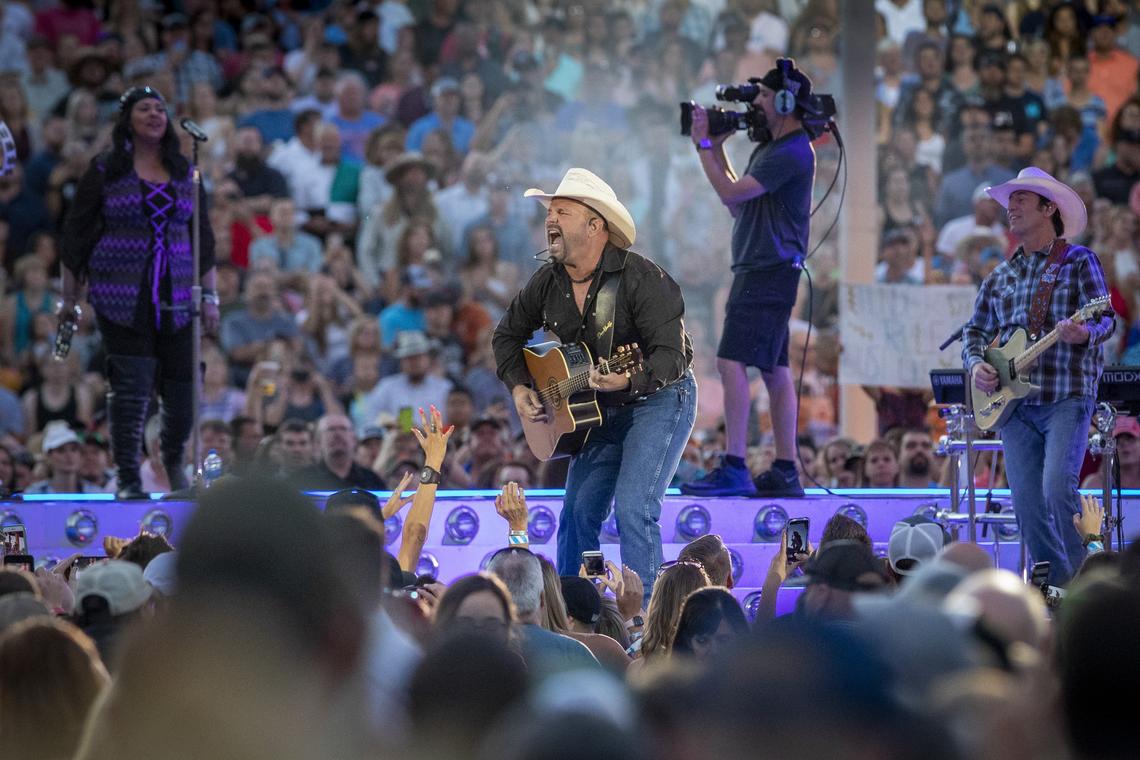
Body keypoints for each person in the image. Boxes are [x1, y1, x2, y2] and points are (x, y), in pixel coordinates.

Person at [492, 168, 696, 595]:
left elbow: (672, 356)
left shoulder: (643, 278)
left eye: (562, 211)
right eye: (550, 212)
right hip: (595, 408)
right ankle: (573, 611)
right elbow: (507, 334)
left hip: (659, 398)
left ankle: (647, 617)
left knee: (634, 507)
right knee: (578, 512)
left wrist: (629, 380)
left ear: (595, 225)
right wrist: (519, 387)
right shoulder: (547, 282)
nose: (550, 219)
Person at [60, 86, 219, 499]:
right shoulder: (105, 170)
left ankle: (174, 465)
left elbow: (202, 235)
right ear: (127, 119)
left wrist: (211, 296)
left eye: (160, 108)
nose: (154, 113)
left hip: (180, 293)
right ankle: (129, 475)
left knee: (183, 388)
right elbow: (76, 234)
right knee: (131, 388)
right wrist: (70, 300)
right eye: (144, 108)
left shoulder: (186, 170)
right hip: (121, 293)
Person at [964, 167, 1114, 586]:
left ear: (1049, 209)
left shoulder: (1080, 261)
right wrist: (977, 363)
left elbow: (1105, 318)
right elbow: (974, 333)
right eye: (1010, 202)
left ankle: (1090, 585)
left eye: (1021, 200)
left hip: (1066, 395)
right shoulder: (1000, 275)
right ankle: (1060, 589)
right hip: (1015, 408)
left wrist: (1084, 332)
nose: (1011, 208)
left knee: (1056, 490)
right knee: (1027, 504)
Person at [681, 58, 816, 498]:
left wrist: (704, 146)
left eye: (761, 95)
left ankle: (736, 463)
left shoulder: (792, 149)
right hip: (769, 267)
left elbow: (730, 192)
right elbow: (741, 204)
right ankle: (786, 468)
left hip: (764, 269)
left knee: (730, 361)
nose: (755, 103)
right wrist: (716, 149)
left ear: (783, 99)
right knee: (775, 370)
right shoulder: (776, 148)